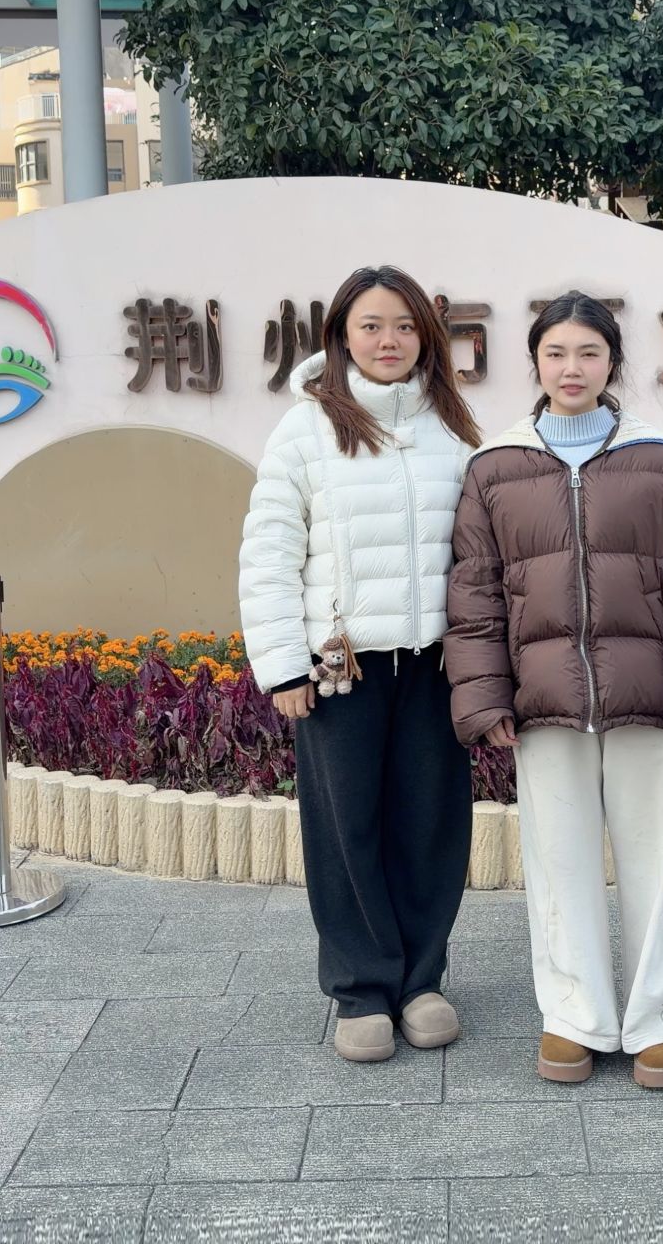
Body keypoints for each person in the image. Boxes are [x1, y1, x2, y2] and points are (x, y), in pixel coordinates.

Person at [444, 291, 663, 1089]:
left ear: (613, 362)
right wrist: (485, 698)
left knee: (661, 861)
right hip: (543, 704)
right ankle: (573, 1015)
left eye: (588, 353)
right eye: (556, 353)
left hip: (650, 698)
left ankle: (660, 1020)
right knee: (558, 860)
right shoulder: (494, 468)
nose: (571, 368)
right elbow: (474, 595)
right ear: (535, 362)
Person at [238, 265, 480, 1063]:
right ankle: (361, 987)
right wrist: (283, 666)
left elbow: (479, 554)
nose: (389, 341)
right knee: (347, 829)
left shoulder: (452, 425)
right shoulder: (306, 428)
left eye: (405, 326)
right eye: (371, 325)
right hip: (342, 671)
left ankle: (421, 981)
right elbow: (269, 553)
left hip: (435, 666)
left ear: (426, 335)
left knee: (431, 824)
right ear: (342, 334)